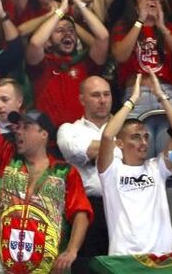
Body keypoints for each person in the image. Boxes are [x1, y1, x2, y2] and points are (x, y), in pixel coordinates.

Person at [0, 42, 92, 272]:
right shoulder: (7, 157)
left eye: (26, 127)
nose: (18, 130)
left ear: (43, 134)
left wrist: (72, 250)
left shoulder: (64, 172)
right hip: (3, 265)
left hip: (46, 266)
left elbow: (80, 213)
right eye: (17, 127)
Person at [97, 70, 172, 255]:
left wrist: (161, 96)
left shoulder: (157, 167)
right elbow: (107, 135)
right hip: (124, 257)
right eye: (136, 137)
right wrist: (133, 100)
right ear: (120, 143)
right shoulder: (111, 171)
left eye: (146, 137)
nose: (144, 142)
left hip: (162, 255)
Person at [56, 75, 114, 266]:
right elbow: (81, 151)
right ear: (82, 99)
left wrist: (103, 147)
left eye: (106, 94)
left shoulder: (127, 128)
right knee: (87, 266)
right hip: (86, 208)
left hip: (122, 205)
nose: (103, 100)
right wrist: (118, 143)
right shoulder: (69, 129)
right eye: (96, 95)